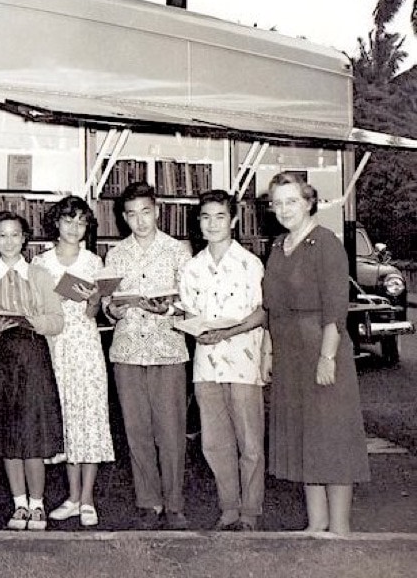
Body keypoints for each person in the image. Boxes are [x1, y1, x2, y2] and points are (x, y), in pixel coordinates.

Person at [262, 172, 370, 534]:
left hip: (322, 351)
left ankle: (339, 529)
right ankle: (316, 524)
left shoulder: (326, 244)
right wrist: (268, 354)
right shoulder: (278, 246)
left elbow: (335, 308)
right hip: (289, 354)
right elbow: (271, 308)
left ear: (309, 202)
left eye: (291, 201)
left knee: (331, 438)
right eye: (277, 203)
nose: (283, 209)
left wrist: (327, 357)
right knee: (305, 436)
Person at [102, 181, 192, 530]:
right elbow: (108, 304)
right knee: (136, 430)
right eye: (132, 215)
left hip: (167, 349)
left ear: (157, 210)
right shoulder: (116, 254)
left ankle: (174, 503)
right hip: (127, 351)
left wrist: (169, 309)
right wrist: (115, 311)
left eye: (145, 212)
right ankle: (148, 501)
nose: (140, 221)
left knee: (170, 431)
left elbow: (190, 302)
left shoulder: (177, 251)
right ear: (124, 218)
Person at [178, 189, 267, 531]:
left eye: (219, 217)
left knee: (249, 442)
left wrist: (227, 333)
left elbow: (261, 313)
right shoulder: (192, 268)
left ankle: (250, 513)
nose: (212, 224)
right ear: (198, 223)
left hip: (243, 363)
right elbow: (190, 314)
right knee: (215, 443)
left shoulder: (250, 264)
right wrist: (195, 331)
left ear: (232, 221)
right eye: (205, 217)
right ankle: (229, 509)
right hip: (206, 366)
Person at [0, 210, 66, 531]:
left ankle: (38, 505)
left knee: (32, 432)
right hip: (1, 359)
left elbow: (57, 321)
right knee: (7, 435)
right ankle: (19, 505)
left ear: (24, 238)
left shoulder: (39, 275)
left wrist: (30, 321)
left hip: (33, 356)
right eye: (2, 235)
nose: (9, 241)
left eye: (15, 234)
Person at [32, 195, 115, 528]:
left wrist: (95, 298)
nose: (74, 228)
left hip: (85, 344)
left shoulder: (94, 262)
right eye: (69, 220)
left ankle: (87, 499)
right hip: (54, 345)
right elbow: (36, 307)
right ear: (56, 222)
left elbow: (94, 312)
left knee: (89, 417)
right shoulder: (40, 262)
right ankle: (71, 496)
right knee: (66, 419)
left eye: (81, 222)